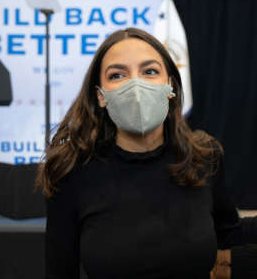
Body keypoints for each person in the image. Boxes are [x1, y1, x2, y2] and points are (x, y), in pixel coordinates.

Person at [35, 27, 257, 279]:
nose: (135, 85)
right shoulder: (71, 172)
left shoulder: (204, 157)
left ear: (170, 86)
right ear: (101, 96)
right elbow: (59, 270)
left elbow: (229, 232)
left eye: (150, 71)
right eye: (118, 75)